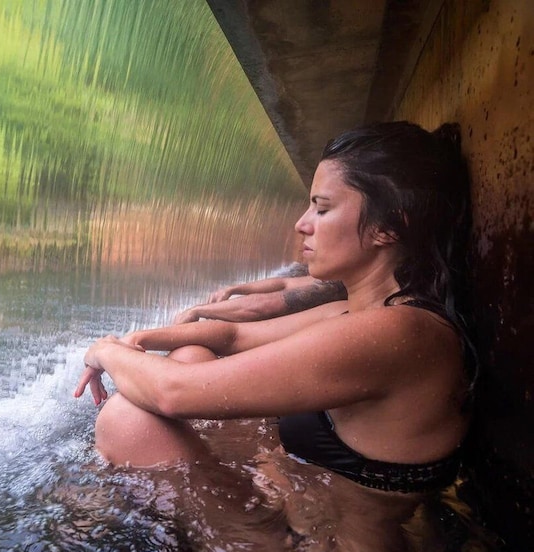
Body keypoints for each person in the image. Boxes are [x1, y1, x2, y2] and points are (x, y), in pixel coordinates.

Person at [74, 121, 476, 499]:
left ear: (388, 227)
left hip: (328, 551)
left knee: (126, 420)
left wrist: (107, 351)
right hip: (304, 503)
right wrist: (141, 339)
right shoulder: (358, 312)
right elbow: (232, 335)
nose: (302, 225)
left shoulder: (397, 332)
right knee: (189, 356)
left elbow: (171, 394)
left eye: (321, 208)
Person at [171, 262, 347, 324]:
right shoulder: (341, 280)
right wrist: (234, 289)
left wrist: (198, 311)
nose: (301, 226)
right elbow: (283, 283)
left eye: (323, 210)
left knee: (190, 354)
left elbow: (263, 306)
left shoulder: (337, 287)